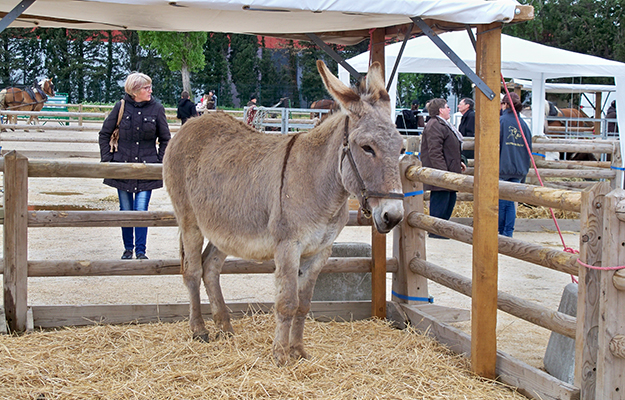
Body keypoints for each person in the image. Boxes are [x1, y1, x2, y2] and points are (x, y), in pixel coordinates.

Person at [99, 72, 171, 259]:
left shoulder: (157, 109)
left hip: (147, 169)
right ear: (135, 90)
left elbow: (165, 139)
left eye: (150, 87)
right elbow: (104, 134)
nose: (150, 91)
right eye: (146, 88)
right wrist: (107, 161)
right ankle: (128, 248)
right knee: (126, 211)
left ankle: (141, 251)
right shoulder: (120, 107)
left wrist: (159, 163)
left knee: (141, 210)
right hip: (122, 167)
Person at [420, 98, 466, 239]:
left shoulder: (443, 125)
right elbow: (435, 151)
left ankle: (442, 229)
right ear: (440, 110)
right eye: (447, 107)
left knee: (449, 199)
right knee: (441, 200)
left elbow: (450, 148)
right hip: (442, 172)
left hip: (449, 169)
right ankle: (436, 230)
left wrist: (459, 161)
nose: (449, 109)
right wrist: (442, 174)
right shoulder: (435, 125)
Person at [499, 92, 532, 238]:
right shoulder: (524, 125)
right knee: (511, 201)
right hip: (518, 168)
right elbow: (528, 149)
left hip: (503, 166)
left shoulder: (501, 121)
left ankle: (501, 231)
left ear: (505, 105)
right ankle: (508, 231)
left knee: (502, 200)